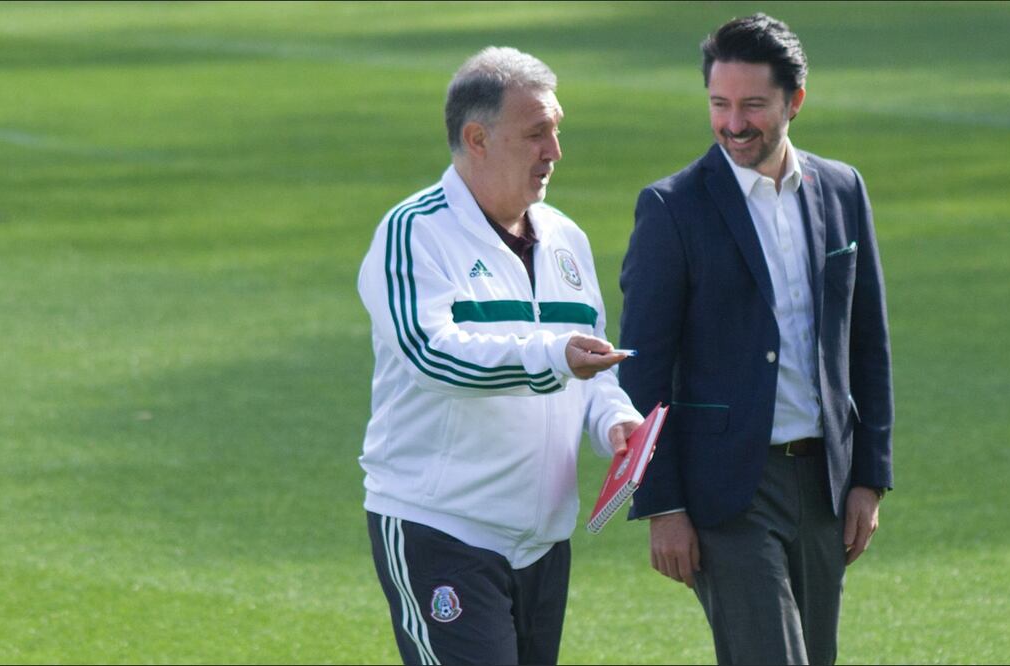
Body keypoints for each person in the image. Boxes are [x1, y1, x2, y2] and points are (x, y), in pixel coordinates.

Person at [618, 13, 894, 665]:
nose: (733, 123)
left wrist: (869, 478)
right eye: (719, 104)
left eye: (752, 105)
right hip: (724, 492)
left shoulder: (841, 189)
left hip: (824, 484)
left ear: (794, 100)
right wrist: (661, 504)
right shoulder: (671, 208)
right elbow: (642, 371)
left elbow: (866, 342)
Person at [357, 46, 642, 666]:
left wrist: (612, 419)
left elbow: (587, 363)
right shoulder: (413, 232)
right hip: (442, 529)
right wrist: (557, 356)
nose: (554, 151)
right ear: (477, 138)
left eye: (557, 130)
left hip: (543, 542)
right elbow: (433, 355)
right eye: (536, 133)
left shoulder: (566, 237)